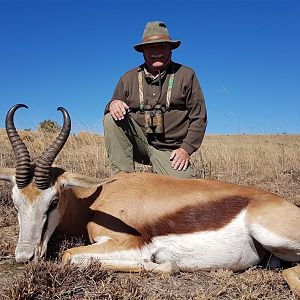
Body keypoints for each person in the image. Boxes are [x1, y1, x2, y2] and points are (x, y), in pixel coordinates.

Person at [103, 21, 207, 178]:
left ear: (171, 49)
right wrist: (113, 103)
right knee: (111, 118)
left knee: (187, 190)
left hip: (171, 151)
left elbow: (199, 118)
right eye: (151, 47)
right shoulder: (128, 78)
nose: (156, 51)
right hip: (140, 145)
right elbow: (112, 107)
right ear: (143, 51)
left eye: (162, 46)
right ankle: (123, 179)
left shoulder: (186, 75)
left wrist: (186, 149)